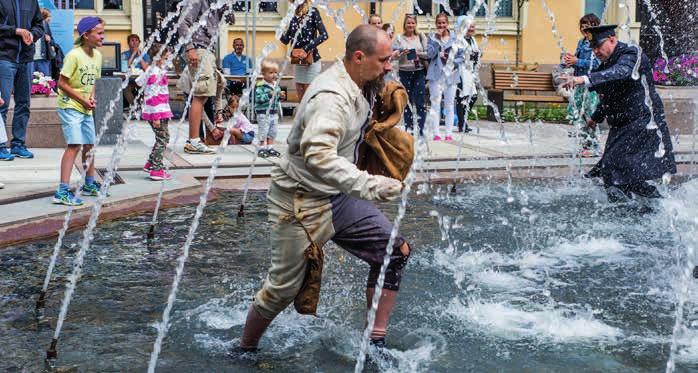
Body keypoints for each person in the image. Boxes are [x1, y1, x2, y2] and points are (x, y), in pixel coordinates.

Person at [234, 25, 409, 355]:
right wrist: (371, 185)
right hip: (300, 202)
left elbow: (374, 89)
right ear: (359, 57)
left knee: (394, 252)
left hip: (337, 197)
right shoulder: (330, 98)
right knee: (282, 291)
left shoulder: (362, 79)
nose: (389, 66)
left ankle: (376, 343)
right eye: (384, 60)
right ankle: (243, 350)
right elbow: (319, 156)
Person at [564, 24, 676, 202]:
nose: (595, 51)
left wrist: (583, 78)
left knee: (618, 170)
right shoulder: (607, 62)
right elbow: (608, 94)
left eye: (598, 46)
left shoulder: (631, 54)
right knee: (619, 171)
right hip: (624, 124)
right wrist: (595, 118)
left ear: (612, 39)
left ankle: (650, 207)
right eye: (592, 48)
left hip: (643, 122)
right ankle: (647, 206)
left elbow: (622, 73)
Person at [53, 16, 105, 206]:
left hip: (85, 106)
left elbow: (93, 82)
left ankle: (89, 184)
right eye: (99, 33)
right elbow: (61, 83)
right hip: (70, 106)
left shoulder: (98, 56)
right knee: (75, 144)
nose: (102, 36)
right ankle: (62, 191)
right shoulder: (74, 56)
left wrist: (90, 98)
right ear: (86, 35)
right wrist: (83, 100)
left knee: (90, 144)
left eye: (103, 32)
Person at [178, 0, 234, 154]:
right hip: (198, 49)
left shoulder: (217, 3)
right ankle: (194, 141)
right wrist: (190, 48)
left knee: (205, 94)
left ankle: (194, 140)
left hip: (207, 50)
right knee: (200, 94)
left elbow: (231, 20)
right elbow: (183, 23)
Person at [0, 0, 44, 160]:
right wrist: (16, 31)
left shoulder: (31, 1)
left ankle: (18, 145)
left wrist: (33, 34)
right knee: (1, 104)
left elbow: (39, 24)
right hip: (4, 57)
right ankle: (0, 145)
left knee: (23, 103)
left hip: (26, 58)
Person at [562, 14, 602, 158]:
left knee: (590, 115)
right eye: (582, 26)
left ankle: (595, 146)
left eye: (587, 25)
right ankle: (585, 144)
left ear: (595, 26)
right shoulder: (581, 42)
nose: (584, 28)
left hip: (591, 84)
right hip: (579, 84)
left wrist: (577, 61)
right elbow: (576, 59)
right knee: (578, 113)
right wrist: (566, 61)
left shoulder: (598, 42)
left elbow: (597, 64)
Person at [136, 44, 173, 181]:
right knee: (163, 139)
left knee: (162, 138)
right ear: (158, 58)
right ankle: (156, 169)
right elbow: (153, 95)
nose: (168, 61)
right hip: (158, 112)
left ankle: (150, 163)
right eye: (166, 59)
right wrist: (156, 116)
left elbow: (139, 82)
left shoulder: (152, 70)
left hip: (155, 111)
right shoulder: (156, 73)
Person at [280, 0, 328, 102]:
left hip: (312, 61)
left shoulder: (313, 12)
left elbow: (324, 35)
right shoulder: (293, 16)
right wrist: (279, 32)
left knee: (310, 100)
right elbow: (286, 40)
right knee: (301, 101)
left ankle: (312, 118)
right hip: (299, 62)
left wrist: (306, 48)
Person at [426, 13, 463, 141]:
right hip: (436, 75)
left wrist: (452, 61)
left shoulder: (455, 38)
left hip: (451, 75)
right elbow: (429, 55)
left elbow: (462, 57)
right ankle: (436, 133)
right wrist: (436, 41)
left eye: (443, 23)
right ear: (436, 24)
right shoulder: (431, 37)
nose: (441, 25)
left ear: (447, 23)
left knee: (449, 104)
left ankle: (448, 133)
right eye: (439, 23)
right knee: (435, 104)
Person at [393, 14, 428, 136]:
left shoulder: (421, 36)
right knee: (407, 102)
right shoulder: (399, 38)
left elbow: (428, 54)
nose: (411, 25)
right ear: (404, 24)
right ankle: (409, 129)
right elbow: (394, 55)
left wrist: (419, 54)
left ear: (415, 24)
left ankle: (421, 130)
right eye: (408, 23)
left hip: (419, 72)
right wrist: (402, 52)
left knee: (420, 102)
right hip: (404, 72)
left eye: (413, 23)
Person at [254, 59, 284, 158]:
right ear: (264, 73)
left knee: (273, 130)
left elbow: (277, 98)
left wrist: (281, 96)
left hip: (274, 112)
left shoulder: (276, 86)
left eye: (275, 72)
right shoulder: (261, 86)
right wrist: (269, 95)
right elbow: (258, 99)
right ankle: (262, 147)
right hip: (263, 112)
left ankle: (270, 147)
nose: (274, 75)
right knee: (264, 130)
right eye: (271, 73)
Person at [455, 16, 479, 133]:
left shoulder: (473, 40)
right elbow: (456, 56)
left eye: (473, 26)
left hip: (470, 72)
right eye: (469, 26)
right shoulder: (459, 39)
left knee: (473, 96)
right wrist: (468, 56)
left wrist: (478, 56)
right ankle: (461, 124)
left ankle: (464, 120)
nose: (472, 28)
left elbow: (476, 53)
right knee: (462, 97)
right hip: (461, 71)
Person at [33, 8, 55, 77]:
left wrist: (49, 39)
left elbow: (52, 41)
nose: (50, 19)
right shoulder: (29, 23)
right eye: (49, 16)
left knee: (45, 82)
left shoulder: (45, 25)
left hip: (43, 59)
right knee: (30, 83)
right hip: (31, 59)